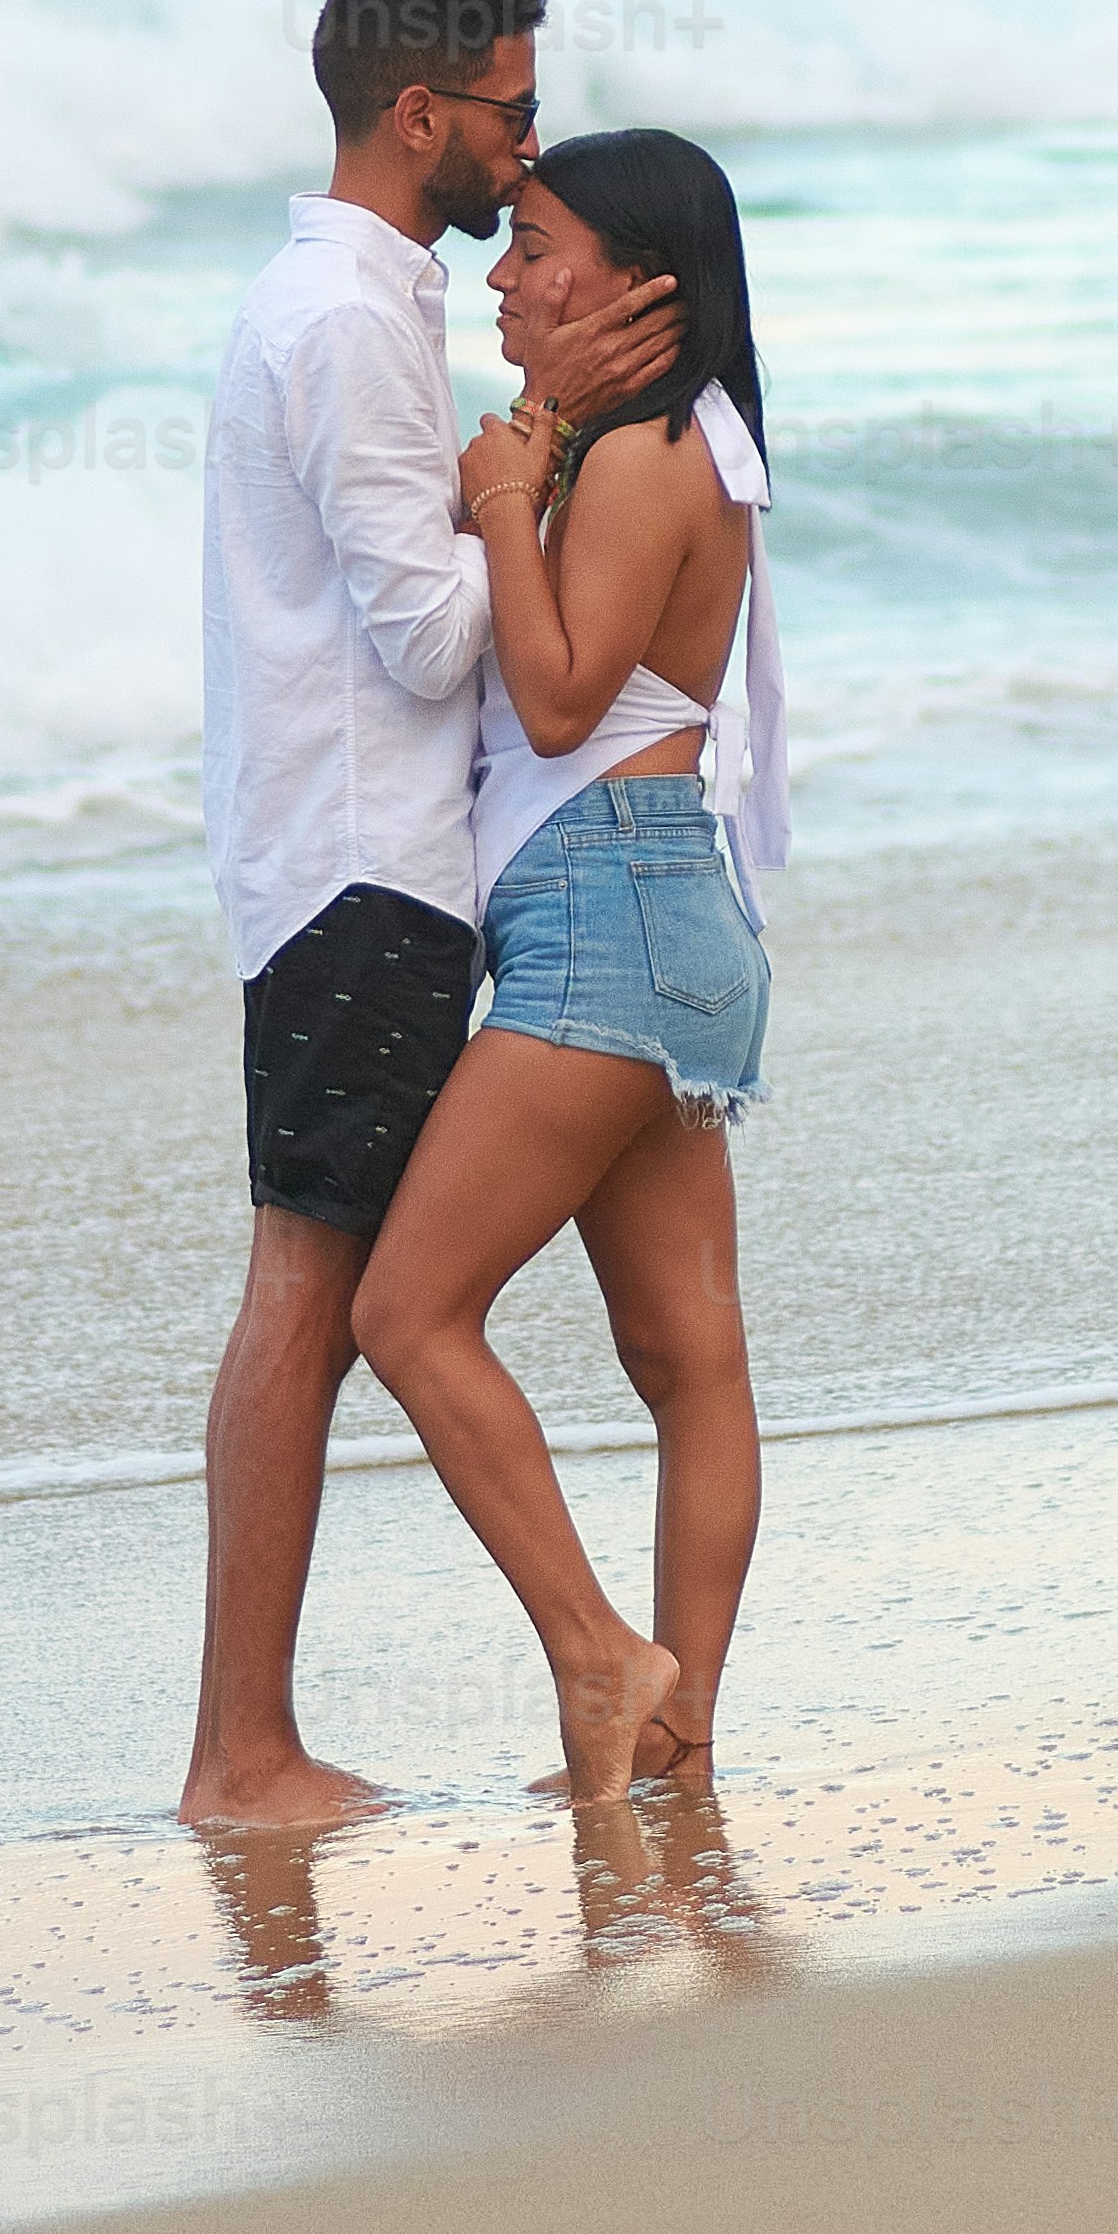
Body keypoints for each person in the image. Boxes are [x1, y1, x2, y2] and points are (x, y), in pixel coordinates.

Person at [183, 0, 674, 1828]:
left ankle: (287, 1734)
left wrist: (515, 460)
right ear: (419, 117)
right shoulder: (347, 323)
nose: (529, 152)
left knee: (331, 1295)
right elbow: (429, 637)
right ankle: (250, 1749)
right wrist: (532, 457)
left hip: (346, 861)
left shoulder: (352, 301)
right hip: (361, 869)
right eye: (512, 116)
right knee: (317, 1295)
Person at [352, 131, 786, 1809]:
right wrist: (536, 446)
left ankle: (602, 1658)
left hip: (606, 908)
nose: (503, 274)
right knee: (686, 1358)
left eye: (538, 247)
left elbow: (548, 699)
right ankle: (678, 1736)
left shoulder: (639, 462)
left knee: (407, 1310)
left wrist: (496, 495)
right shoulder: (698, 440)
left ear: (639, 287)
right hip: (663, 903)